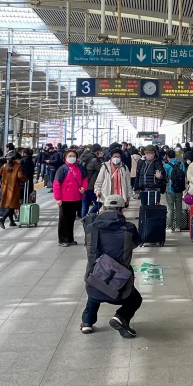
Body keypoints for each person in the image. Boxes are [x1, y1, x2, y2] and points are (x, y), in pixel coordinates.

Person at [81, 193, 143, 337]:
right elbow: (135, 244)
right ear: (122, 209)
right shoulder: (129, 228)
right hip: (119, 289)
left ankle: (87, 322)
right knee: (136, 299)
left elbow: (87, 246)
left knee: (97, 277)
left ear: (103, 207)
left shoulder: (90, 228)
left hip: (93, 283)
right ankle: (120, 317)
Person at [53, 149, 88, 246]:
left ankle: (70, 239)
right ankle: (63, 239)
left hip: (77, 198)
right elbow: (56, 184)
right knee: (63, 220)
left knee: (71, 219)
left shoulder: (80, 168)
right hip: (65, 199)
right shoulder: (62, 169)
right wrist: (58, 198)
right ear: (65, 158)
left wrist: (84, 188)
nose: (72, 158)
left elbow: (85, 179)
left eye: (74, 156)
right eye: (70, 156)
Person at [0, 152, 25, 229]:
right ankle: (2, 219)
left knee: (9, 205)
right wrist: (26, 180)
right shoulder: (18, 166)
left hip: (5, 188)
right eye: (19, 159)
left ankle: (11, 222)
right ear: (16, 159)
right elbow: (20, 176)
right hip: (14, 188)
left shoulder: (4, 165)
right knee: (12, 205)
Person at [163, 149, 187, 231]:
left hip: (170, 189)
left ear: (167, 157)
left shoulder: (167, 165)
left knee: (170, 208)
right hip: (179, 189)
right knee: (178, 208)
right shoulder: (181, 164)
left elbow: (165, 177)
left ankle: (169, 227)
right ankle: (178, 226)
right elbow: (183, 175)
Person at [82, 144, 104, 217]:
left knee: (85, 205)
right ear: (98, 152)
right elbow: (101, 170)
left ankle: (84, 219)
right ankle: (89, 216)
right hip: (91, 185)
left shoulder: (84, 159)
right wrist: (101, 158)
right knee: (99, 203)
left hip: (83, 184)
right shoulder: (95, 160)